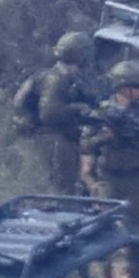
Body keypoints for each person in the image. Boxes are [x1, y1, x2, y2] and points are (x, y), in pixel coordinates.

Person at [79, 60, 139, 232]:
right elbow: (85, 145)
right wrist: (103, 138)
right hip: (109, 176)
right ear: (124, 88)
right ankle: (108, 258)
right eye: (137, 86)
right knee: (107, 227)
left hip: (137, 177)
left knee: (135, 227)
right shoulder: (103, 113)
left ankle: (135, 258)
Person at [29, 32, 100, 194]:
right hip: (55, 140)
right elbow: (48, 113)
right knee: (62, 187)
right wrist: (79, 108)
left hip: (62, 138)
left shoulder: (69, 76)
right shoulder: (56, 80)